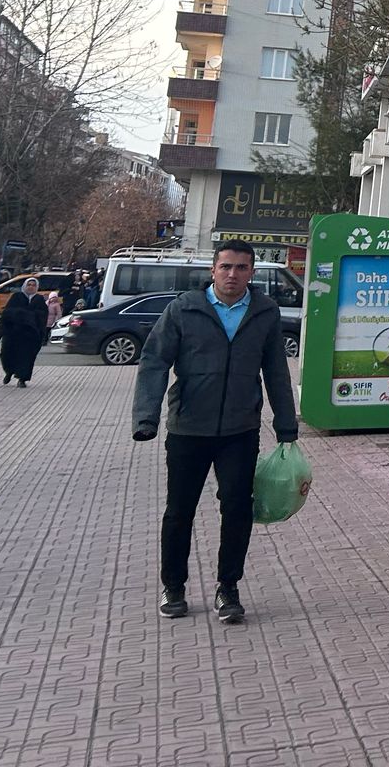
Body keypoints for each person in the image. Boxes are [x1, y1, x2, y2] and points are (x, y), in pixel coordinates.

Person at [132, 240, 298, 625]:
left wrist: (286, 424)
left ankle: (229, 587)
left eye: (241, 268)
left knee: (237, 509)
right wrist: (146, 418)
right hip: (189, 428)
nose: (232, 275)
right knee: (179, 511)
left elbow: (276, 371)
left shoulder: (265, 312)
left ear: (251, 273)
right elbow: (154, 361)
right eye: (226, 267)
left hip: (240, 430)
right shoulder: (184, 309)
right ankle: (173, 586)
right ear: (213, 270)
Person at [0, 278, 46, 386]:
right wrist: (22, 315)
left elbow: (42, 316)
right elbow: (7, 313)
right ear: (25, 286)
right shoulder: (17, 297)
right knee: (7, 355)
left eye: (33, 285)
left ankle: (22, 379)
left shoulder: (39, 299)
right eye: (29, 285)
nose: (31, 287)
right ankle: (9, 372)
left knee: (27, 357)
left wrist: (41, 333)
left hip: (29, 335)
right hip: (13, 333)